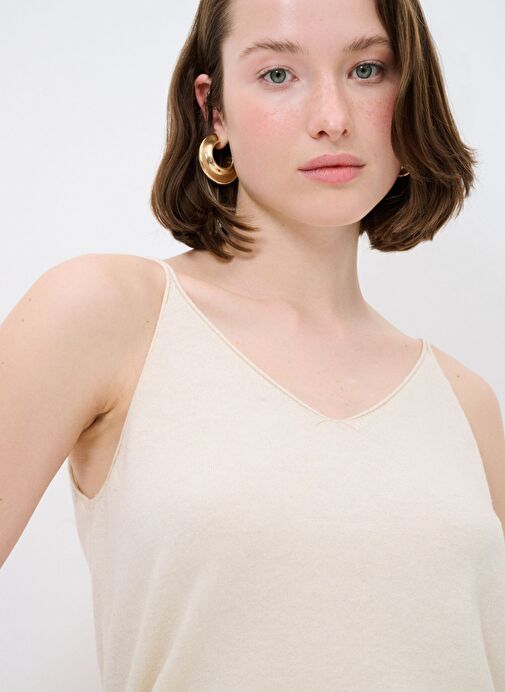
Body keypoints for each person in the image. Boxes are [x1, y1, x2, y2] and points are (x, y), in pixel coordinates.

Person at [2, 0, 504, 689]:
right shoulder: (108, 314)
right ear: (213, 109)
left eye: (366, 69)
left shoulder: (465, 403)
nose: (332, 117)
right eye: (277, 74)